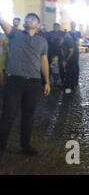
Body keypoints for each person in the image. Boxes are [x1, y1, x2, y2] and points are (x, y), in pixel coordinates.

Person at [0, 12, 50, 160]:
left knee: (28, 116)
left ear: (38, 26)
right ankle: (1, 145)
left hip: (33, 82)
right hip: (14, 80)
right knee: (7, 115)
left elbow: (44, 61)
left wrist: (47, 81)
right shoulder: (15, 34)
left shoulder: (42, 41)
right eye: (27, 18)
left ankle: (25, 146)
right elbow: (3, 22)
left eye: (33, 18)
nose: (29, 19)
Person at [67, 22, 81, 88]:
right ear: (71, 25)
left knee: (75, 65)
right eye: (72, 24)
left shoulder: (78, 32)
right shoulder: (68, 33)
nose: (73, 25)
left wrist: (75, 44)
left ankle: (75, 80)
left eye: (74, 24)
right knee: (69, 65)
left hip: (76, 50)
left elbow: (78, 41)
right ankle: (70, 80)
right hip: (69, 50)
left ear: (75, 25)